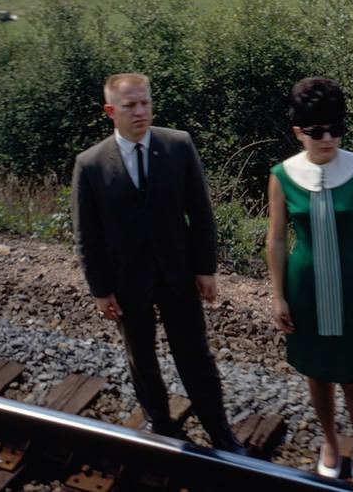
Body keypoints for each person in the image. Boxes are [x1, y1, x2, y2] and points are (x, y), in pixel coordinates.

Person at [72, 73, 244, 453]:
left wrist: (205, 268)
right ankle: (159, 422)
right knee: (141, 355)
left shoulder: (177, 146)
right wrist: (100, 290)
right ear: (110, 111)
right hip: (126, 281)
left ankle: (220, 431)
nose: (140, 111)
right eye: (130, 105)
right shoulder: (91, 165)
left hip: (178, 274)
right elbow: (87, 236)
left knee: (195, 355)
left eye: (145, 103)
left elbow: (201, 214)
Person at [266, 77, 353, 485]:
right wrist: (278, 296)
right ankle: (328, 439)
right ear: (298, 131)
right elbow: (277, 238)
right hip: (305, 292)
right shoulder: (282, 175)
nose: (329, 138)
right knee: (317, 374)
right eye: (317, 131)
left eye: (336, 128)